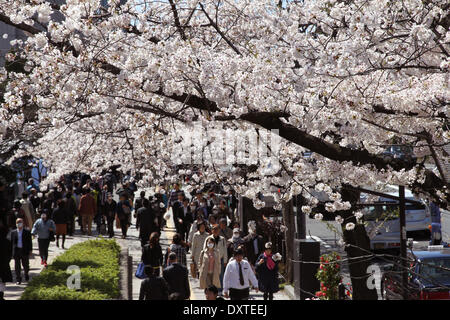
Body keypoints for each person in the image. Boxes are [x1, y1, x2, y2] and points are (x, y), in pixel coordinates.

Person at [204, 224, 228, 291]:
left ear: (219, 230)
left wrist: (225, 260)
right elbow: (204, 249)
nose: (215, 231)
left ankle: (219, 289)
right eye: (214, 229)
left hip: (220, 259)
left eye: (217, 229)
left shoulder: (222, 239)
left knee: (220, 275)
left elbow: (225, 250)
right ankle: (210, 289)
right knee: (211, 275)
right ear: (211, 230)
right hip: (211, 259)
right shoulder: (208, 238)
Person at [10, 218, 32, 284]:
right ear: (16, 223)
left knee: (25, 265)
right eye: (18, 222)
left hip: (24, 250)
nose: (19, 223)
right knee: (17, 266)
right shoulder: (13, 232)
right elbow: (11, 242)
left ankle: (26, 274)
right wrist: (11, 252)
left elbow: (29, 242)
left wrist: (30, 250)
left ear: (23, 223)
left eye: (20, 222)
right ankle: (18, 279)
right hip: (16, 251)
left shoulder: (27, 232)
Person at [0, 218, 12, 299]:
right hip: (4, 262)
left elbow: (9, 251)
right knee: (2, 280)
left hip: (3, 262)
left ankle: (1, 295)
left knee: (2, 281)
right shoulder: (6, 239)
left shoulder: (6, 239)